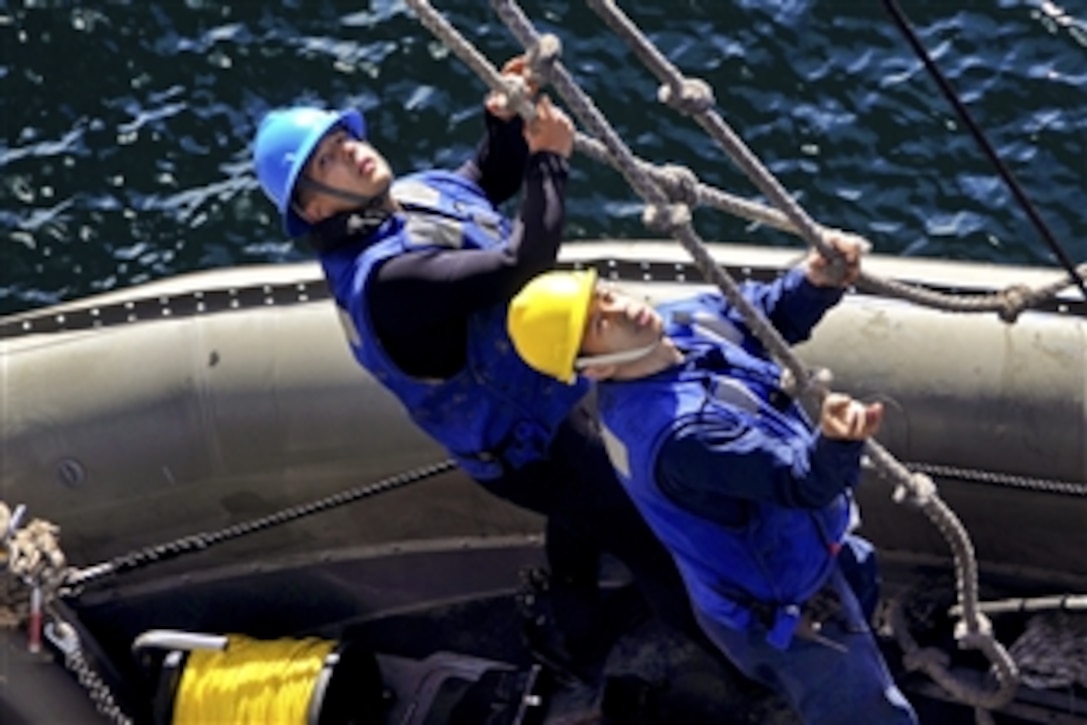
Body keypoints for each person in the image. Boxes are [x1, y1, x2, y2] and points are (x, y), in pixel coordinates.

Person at [250, 57, 704, 676]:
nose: (352, 153)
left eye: (343, 140)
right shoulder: (389, 281)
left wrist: (504, 128)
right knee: (648, 542)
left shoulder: (400, 201)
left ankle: (573, 624)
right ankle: (732, 663)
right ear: (313, 210)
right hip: (530, 446)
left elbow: (480, 181)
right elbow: (523, 265)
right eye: (327, 160)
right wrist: (551, 160)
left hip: (539, 403)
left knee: (583, 517)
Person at [506, 236, 920, 724]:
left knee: (859, 573)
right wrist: (838, 443)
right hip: (784, 606)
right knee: (867, 713)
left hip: (800, 550)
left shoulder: (684, 324)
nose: (621, 310)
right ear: (595, 367)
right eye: (599, 324)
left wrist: (814, 285)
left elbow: (760, 317)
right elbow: (802, 482)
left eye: (607, 297)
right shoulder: (679, 435)